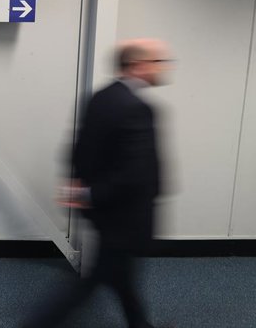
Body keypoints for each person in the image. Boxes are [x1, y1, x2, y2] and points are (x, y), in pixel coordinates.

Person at [25, 38, 173, 328]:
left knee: (122, 281)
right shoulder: (137, 107)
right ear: (137, 65)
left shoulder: (102, 97)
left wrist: (79, 189)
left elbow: (78, 148)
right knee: (89, 284)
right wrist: (91, 194)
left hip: (106, 216)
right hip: (124, 217)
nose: (163, 68)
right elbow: (136, 173)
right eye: (158, 62)